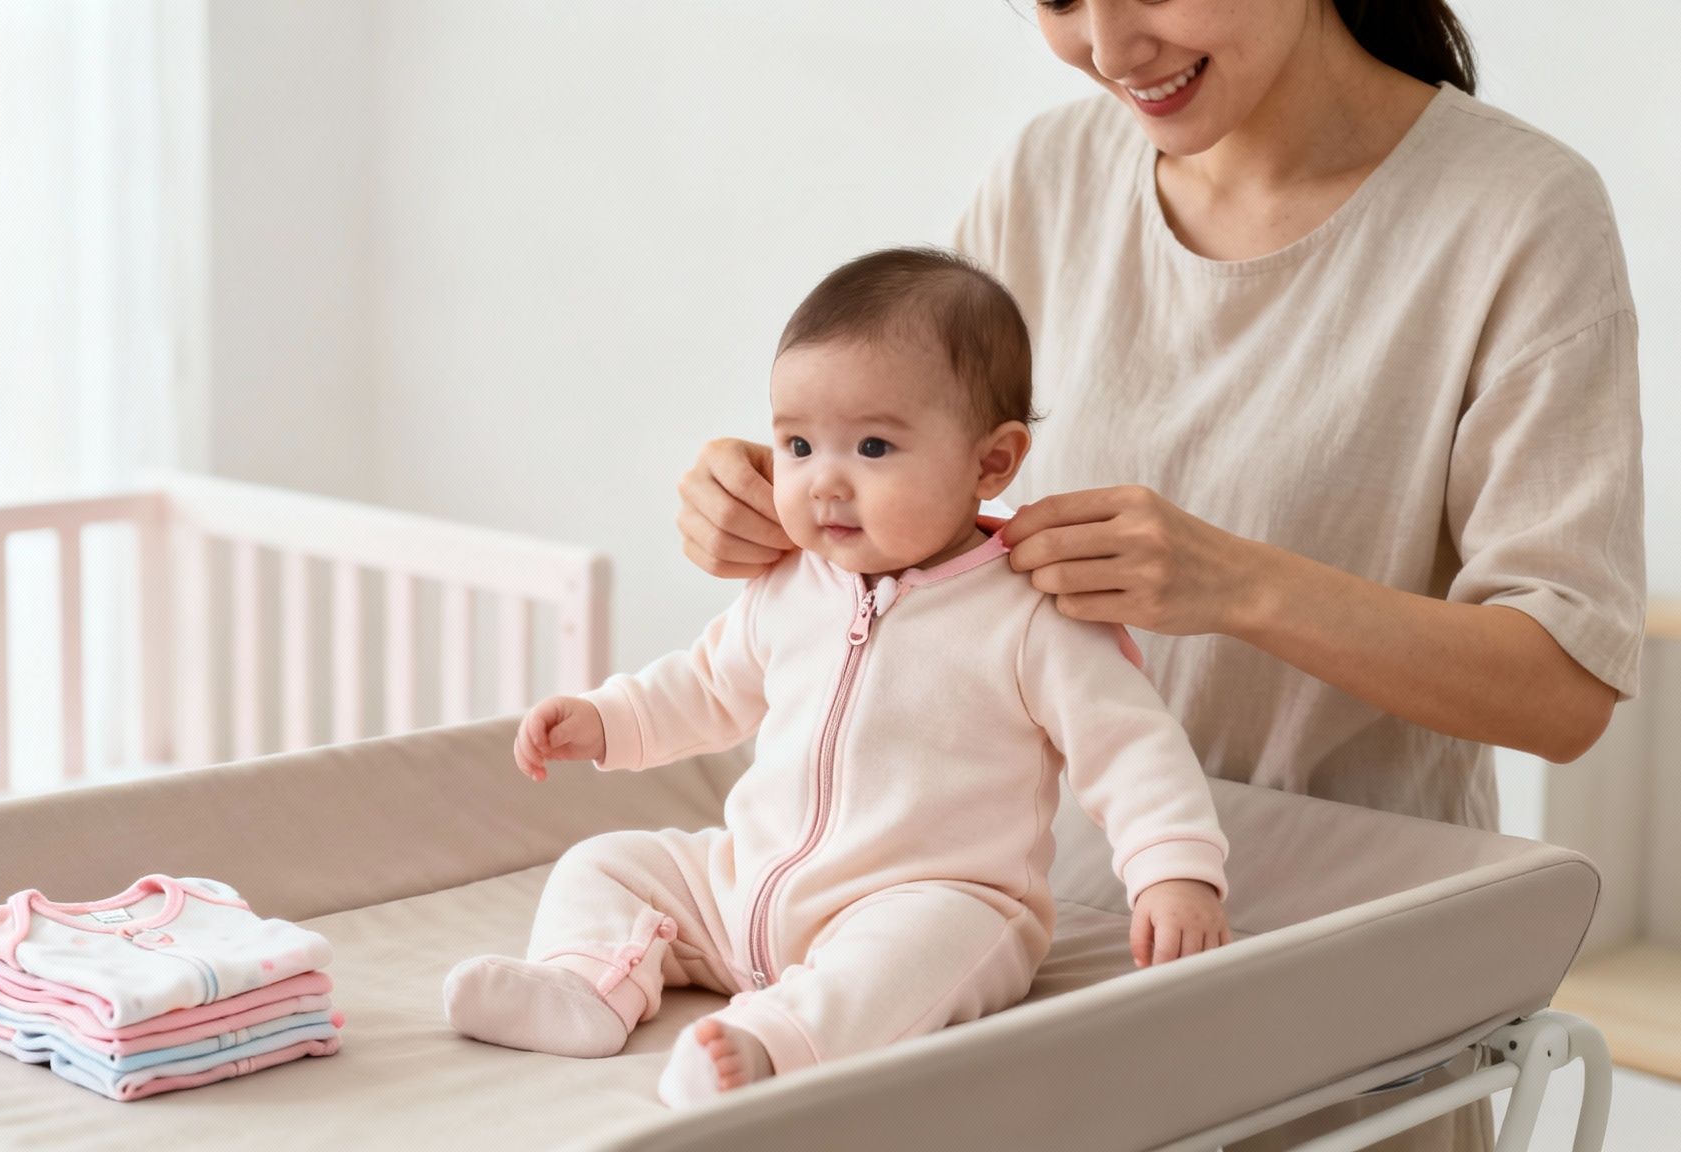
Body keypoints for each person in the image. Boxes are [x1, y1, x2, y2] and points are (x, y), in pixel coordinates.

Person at [674, 2, 1644, 1148]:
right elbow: (933, 509)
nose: (1108, 46)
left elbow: (1562, 686)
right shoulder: (1045, 176)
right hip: (1023, 968)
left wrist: (1239, 586)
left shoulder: (1513, 216)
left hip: (1326, 990)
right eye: (1055, 0)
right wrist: (777, 501)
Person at [445, 248, 1231, 1107]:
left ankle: (776, 1045)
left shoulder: (1033, 610)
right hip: (744, 892)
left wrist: (1175, 871)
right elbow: (707, 686)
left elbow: (1132, 748)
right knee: (608, 862)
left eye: (872, 445)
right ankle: (586, 987)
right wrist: (606, 719)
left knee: (915, 954)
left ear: (992, 463)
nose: (823, 481)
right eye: (797, 443)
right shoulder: (789, 583)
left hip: (927, 899)